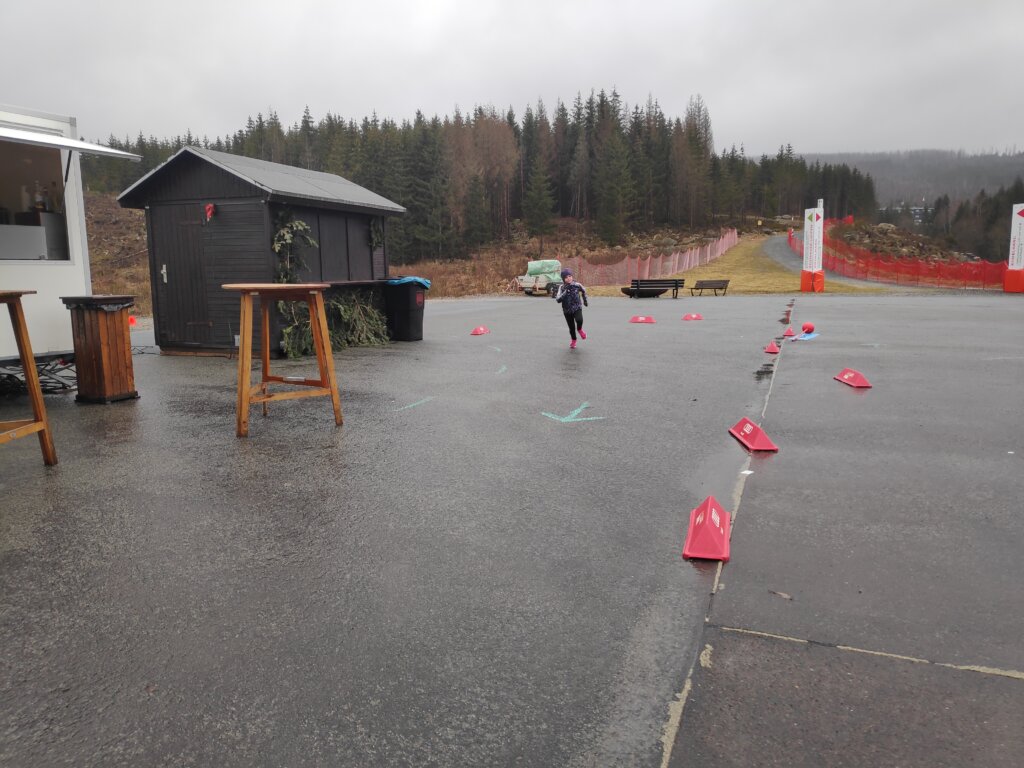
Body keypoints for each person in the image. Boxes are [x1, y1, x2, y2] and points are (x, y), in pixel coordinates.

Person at [553, 268, 588, 348]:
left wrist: (585, 300)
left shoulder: (577, 285)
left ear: (572, 276)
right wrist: (565, 292)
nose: (568, 278)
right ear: (563, 279)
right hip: (567, 310)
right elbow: (558, 299)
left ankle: (579, 329)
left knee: (579, 320)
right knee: (571, 327)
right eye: (566, 277)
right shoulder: (561, 287)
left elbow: (584, 290)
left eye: (570, 276)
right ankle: (573, 340)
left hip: (577, 307)